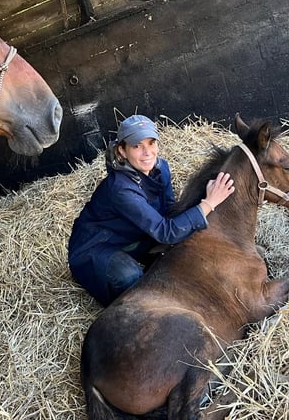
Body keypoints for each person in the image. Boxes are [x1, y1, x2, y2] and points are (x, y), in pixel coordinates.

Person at [68, 114, 235, 306]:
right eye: (137, 146)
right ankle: (132, 309)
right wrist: (208, 203)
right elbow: (165, 232)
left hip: (132, 237)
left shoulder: (161, 168)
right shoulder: (121, 189)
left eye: (151, 142)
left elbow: (169, 210)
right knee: (130, 276)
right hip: (97, 247)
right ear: (122, 150)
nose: (147, 152)